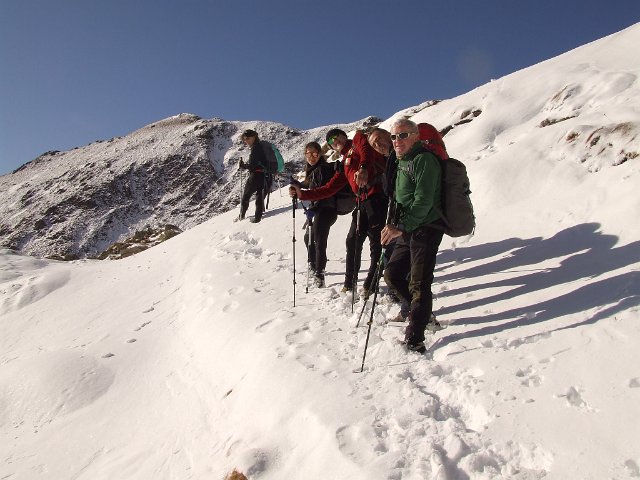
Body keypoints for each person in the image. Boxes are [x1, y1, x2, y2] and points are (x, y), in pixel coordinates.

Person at [289, 128, 387, 297]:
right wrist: (302, 194)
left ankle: (372, 282)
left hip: (377, 198)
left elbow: (366, 151)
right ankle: (349, 283)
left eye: (336, 137)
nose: (334, 142)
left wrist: (363, 169)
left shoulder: (357, 140)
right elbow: (328, 189)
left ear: (343, 136)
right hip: (361, 202)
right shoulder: (344, 164)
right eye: (330, 142)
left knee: (375, 243)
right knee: (352, 241)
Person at [381, 119, 445, 353]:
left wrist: (402, 226)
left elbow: (424, 200)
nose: (397, 141)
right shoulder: (402, 162)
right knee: (392, 274)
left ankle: (415, 339)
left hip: (427, 228)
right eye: (394, 137)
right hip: (408, 228)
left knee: (419, 282)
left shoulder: (424, 160)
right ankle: (422, 315)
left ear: (416, 136)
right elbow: (400, 199)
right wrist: (394, 223)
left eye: (403, 135)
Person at [301, 142, 339, 287]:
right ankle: (313, 264)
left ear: (320, 154)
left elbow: (323, 191)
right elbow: (312, 185)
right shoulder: (313, 169)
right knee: (308, 238)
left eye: (314, 153)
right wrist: (298, 186)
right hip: (318, 209)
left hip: (326, 209)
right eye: (308, 154)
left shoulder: (323, 169)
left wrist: (303, 195)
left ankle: (319, 274)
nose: (311, 156)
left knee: (318, 241)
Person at [238, 129, 269, 223]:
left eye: (248, 138)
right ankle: (258, 218)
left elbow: (252, 165)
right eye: (244, 139)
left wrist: (243, 166)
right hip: (265, 176)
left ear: (254, 137)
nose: (246, 141)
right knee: (259, 197)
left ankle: (241, 216)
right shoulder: (262, 147)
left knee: (246, 196)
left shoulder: (256, 148)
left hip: (256, 175)